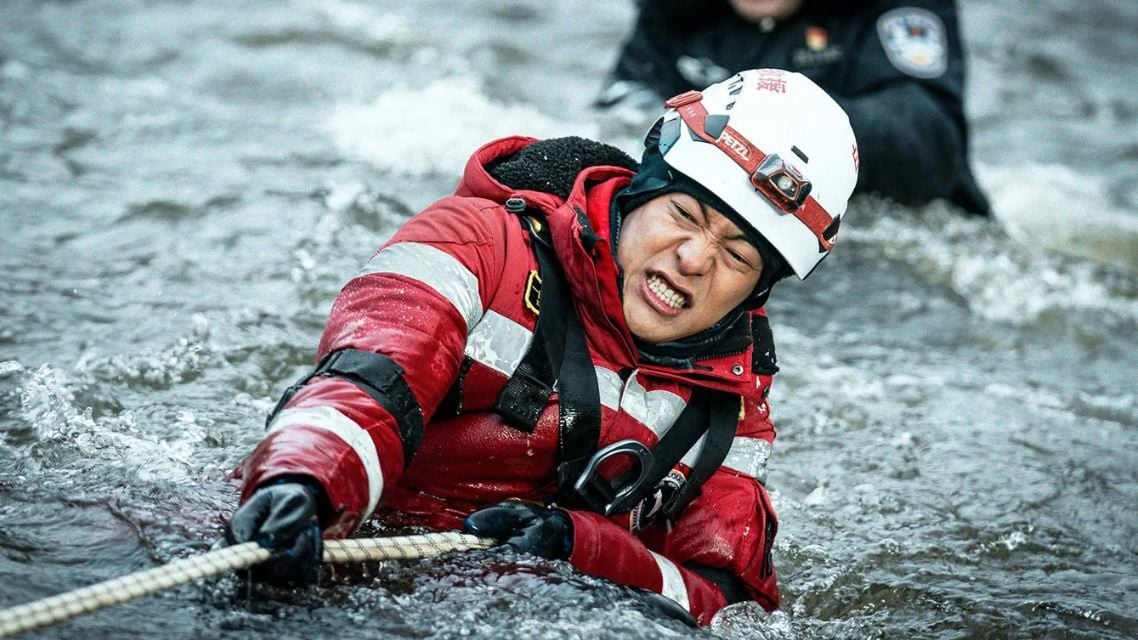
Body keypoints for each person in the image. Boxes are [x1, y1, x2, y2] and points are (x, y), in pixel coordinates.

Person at [225, 68, 859, 626]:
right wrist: (301, 483)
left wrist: (579, 549)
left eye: (739, 255)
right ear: (644, 185)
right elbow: (366, 385)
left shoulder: (733, 404)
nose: (694, 259)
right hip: (321, 554)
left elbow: (731, 608)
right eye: (685, 215)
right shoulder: (476, 243)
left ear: (759, 289)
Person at [596, 0, 989, 215]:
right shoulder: (676, 12)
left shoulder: (892, 7)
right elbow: (621, 115)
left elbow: (930, 137)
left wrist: (773, 122)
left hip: (899, 233)